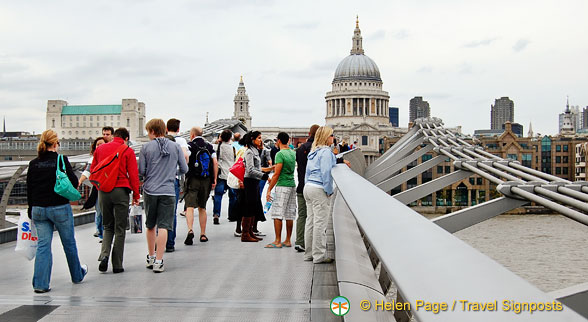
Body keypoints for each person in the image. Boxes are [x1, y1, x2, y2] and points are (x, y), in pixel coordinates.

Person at [27, 130, 87, 293]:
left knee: (43, 246)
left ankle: (40, 284)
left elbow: (29, 188)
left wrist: (30, 209)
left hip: (38, 209)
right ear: (55, 144)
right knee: (68, 243)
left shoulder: (33, 163)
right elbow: (74, 182)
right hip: (59, 207)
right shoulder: (61, 160)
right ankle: (76, 275)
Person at [139, 119, 188, 273]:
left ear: (152, 131)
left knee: (150, 225)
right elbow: (184, 168)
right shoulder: (175, 146)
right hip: (168, 190)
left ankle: (151, 257)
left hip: (150, 190)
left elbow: (141, 171)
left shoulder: (146, 147)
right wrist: (173, 173)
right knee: (164, 226)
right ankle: (159, 261)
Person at [91, 127, 140, 273]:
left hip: (103, 191)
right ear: (126, 139)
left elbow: (93, 170)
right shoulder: (127, 150)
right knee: (119, 228)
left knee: (107, 226)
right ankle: (117, 264)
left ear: (114, 136)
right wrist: (136, 195)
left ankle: (104, 255)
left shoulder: (100, 149)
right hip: (121, 191)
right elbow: (133, 175)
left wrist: (100, 186)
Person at [303, 126, 337, 264]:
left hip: (308, 187)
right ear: (325, 137)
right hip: (319, 188)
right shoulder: (326, 153)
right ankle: (319, 255)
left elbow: (307, 172)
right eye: (331, 135)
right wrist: (329, 190)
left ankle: (309, 253)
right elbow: (326, 173)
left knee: (310, 221)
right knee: (320, 223)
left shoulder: (313, 152)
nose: (333, 138)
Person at [184, 127, 218, 244]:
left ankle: (190, 230)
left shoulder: (190, 145)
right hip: (206, 179)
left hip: (193, 179)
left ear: (192, 135)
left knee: (189, 207)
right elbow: (215, 162)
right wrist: (214, 178)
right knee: (202, 207)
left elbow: (186, 158)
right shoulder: (209, 146)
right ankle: (203, 234)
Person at [265, 132, 297, 248]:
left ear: (278, 141)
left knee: (277, 213)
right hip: (292, 184)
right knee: (289, 213)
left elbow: (277, 173)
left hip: (282, 185)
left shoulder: (279, 154)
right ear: (288, 140)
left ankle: (277, 241)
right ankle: (288, 240)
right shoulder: (292, 153)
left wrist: (269, 189)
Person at [241, 131, 272, 242]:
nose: (261, 140)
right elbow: (250, 169)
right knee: (249, 206)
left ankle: (250, 232)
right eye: (259, 138)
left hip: (255, 181)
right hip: (250, 180)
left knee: (254, 205)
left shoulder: (255, 151)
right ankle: (245, 234)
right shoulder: (249, 151)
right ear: (252, 139)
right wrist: (263, 175)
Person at [165, 118, 190, 253]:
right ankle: (170, 243)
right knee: (171, 212)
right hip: (172, 178)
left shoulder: (160, 140)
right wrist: (179, 172)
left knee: (158, 214)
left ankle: (158, 242)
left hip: (156, 182)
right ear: (179, 129)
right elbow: (185, 157)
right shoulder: (181, 141)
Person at [294, 124, 319, 252]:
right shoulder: (317, 149)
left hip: (301, 186)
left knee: (302, 215)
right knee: (314, 217)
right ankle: (311, 244)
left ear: (309, 133)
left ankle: (299, 241)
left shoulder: (301, 148)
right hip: (314, 186)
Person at [79, 137, 106, 241]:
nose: (99, 146)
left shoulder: (111, 156)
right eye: (98, 144)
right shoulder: (93, 159)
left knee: (106, 211)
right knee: (99, 211)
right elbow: (87, 171)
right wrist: (80, 181)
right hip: (97, 188)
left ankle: (106, 233)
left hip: (108, 188)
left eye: (102, 144)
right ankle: (101, 232)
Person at [213, 129, 237, 225]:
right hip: (230, 174)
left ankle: (216, 214)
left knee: (218, 195)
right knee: (232, 196)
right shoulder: (233, 148)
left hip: (220, 174)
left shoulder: (218, 147)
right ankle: (231, 215)